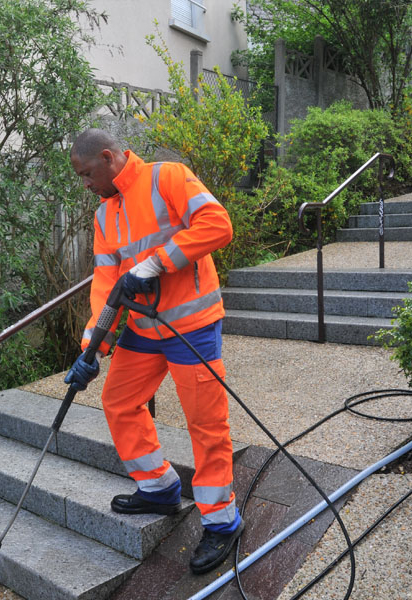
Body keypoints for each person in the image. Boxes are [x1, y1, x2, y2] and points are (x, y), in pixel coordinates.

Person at [65, 128, 243, 575]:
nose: (85, 185)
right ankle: (159, 487)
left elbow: (218, 225)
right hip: (144, 327)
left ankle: (221, 523)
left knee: (205, 422)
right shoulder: (105, 215)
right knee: (119, 400)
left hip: (192, 327)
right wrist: (92, 348)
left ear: (108, 157)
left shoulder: (169, 178)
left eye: (87, 174)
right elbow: (106, 284)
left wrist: (155, 263)